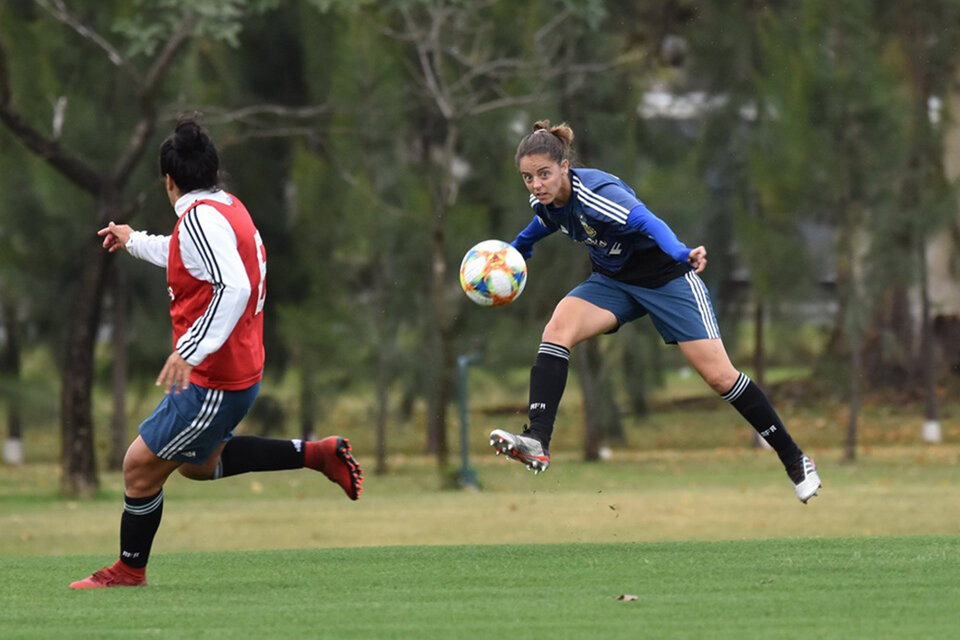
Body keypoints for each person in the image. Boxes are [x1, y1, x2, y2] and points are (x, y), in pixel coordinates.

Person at [70, 117, 363, 589]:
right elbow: (187, 256)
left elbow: (234, 285)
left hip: (213, 379)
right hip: (237, 371)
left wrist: (190, 349)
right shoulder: (224, 208)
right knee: (196, 464)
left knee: (139, 467)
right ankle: (317, 455)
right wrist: (133, 240)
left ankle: (128, 570)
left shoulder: (201, 218)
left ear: (169, 180)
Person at [488, 120, 821, 504]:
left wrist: (681, 252)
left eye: (544, 174)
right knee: (557, 329)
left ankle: (795, 459)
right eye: (528, 177)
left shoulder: (598, 194)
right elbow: (545, 221)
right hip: (613, 283)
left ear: (565, 166)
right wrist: (516, 250)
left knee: (719, 376)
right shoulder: (544, 201)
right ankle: (537, 440)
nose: (536, 185)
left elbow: (646, 221)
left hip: (667, 280)